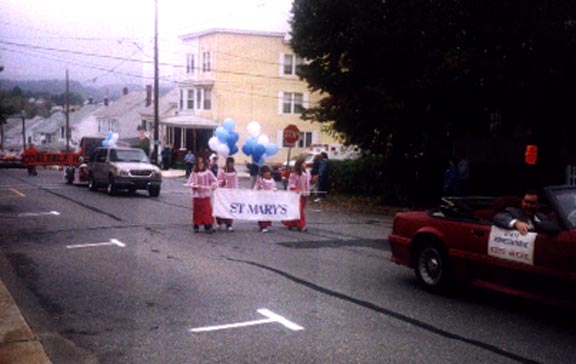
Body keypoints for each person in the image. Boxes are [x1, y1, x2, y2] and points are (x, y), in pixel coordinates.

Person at [493, 189, 560, 235]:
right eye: (526, 202)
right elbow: (498, 217)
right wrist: (516, 223)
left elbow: (554, 228)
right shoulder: (513, 212)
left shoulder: (542, 217)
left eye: (532, 203)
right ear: (522, 202)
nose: (528, 205)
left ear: (538, 205)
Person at [188, 156, 218, 233]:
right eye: (199, 164)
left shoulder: (208, 173)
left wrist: (213, 185)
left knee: (207, 211)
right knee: (197, 211)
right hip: (197, 195)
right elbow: (190, 182)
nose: (200, 165)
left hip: (205, 195)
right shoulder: (194, 173)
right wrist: (194, 185)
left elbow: (214, 180)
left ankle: (208, 225)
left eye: (202, 163)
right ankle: (196, 225)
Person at [282, 157, 310, 232]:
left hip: (304, 194)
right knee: (299, 210)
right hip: (296, 195)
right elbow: (291, 184)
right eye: (304, 163)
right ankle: (301, 225)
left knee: (298, 210)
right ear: (300, 164)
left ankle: (291, 223)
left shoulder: (307, 172)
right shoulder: (295, 174)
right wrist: (295, 190)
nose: (305, 164)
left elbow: (308, 183)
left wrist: (313, 180)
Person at [216, 156, 238, 231]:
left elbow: (235, 182)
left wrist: (235, 191)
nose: (231, 165)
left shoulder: (234, 172)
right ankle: (219, 222)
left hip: (230, 193)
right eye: (229, 163)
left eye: (232, 163)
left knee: (229, 208)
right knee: (221, 207)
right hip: (223, 192)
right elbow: (218, 181)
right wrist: (223, 182)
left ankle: (229, 224)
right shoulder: (222, 171)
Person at [253, 165, 276, 232]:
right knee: (262, 212)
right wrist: (259, 187)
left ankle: (267, 224)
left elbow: (274, 187)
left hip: (269, 199)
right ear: (263, 173)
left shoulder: (272, 180)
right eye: (266, 172)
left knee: (268, 212)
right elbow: (256, 188)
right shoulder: (260, 180)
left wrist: (274, 191)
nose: (268, 173)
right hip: (262, 199)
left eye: (268, 172)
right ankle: (263, 225)